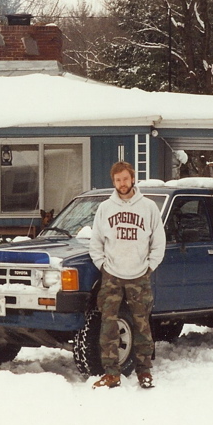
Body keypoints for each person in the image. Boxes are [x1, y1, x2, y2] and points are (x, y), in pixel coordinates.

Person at [89, 161, 166, 389]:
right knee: (108, 326)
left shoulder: (149, 207)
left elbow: (158, 242)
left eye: (125, 178)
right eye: (117, 180)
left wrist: (149, 267)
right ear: (113, 182)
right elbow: (96, 242)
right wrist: (103, 265)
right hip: (111, 275)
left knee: (142, 326)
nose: (122, 183)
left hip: (139, 275)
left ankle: (144, 372)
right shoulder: (105, 208)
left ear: (133, 178)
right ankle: (112, 373)